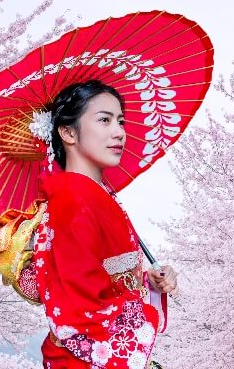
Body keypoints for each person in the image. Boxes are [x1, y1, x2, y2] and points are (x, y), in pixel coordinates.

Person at [33, 80, 178, 369]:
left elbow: (110, 277)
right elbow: (82, 305)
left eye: (121, 121)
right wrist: (144, 308)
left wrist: (149, 283)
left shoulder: (95, 194)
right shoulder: (72, 199)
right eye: (104, 120)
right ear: (68, 132)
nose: (119, 132)